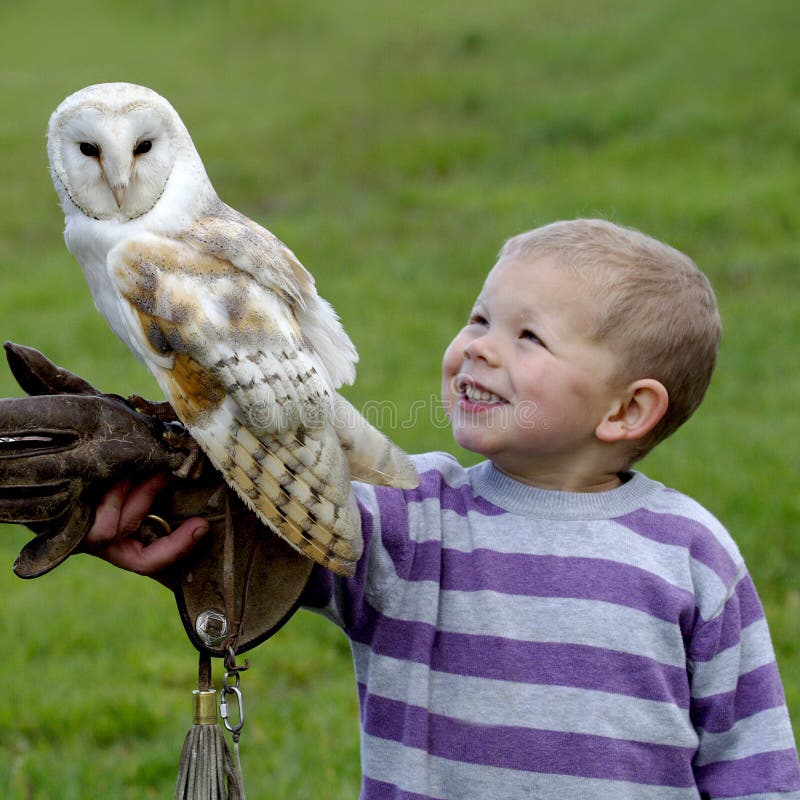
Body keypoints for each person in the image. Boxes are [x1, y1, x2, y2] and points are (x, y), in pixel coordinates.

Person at [86, 219, 800, 798]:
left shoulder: (691, 555)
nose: (479, 349)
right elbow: (268, 524)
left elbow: (752, 763)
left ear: (627, 409)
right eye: (479, 318)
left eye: (528, 337)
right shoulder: (412, 517)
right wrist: (159, 490)